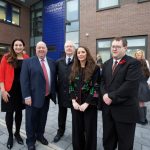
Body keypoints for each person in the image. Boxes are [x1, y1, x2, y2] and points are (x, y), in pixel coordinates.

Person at [101, 37, 141, 150]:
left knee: (125, 143)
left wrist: (110, 96)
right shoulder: (107, 64)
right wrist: (104, 94)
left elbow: (130, 85)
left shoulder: (133, 63)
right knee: (108, 140)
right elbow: (102, 82)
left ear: (125, 48)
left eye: (118, 47)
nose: (114, 49)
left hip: (125, 111)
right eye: (113, 46)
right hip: (108, 111)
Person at [20, 41, 56, 150]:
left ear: (46, 50)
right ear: (36, 50)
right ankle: (30, 141)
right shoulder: (28, 62)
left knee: (43, 118)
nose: (41, 50)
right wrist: (26, 96)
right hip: (32, 98)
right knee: (31, 120)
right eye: (39, 48)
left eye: (43, 48)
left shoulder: (51, 62)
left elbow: (53, 78)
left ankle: (40, 135)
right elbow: (24, 80)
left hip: (46, 97)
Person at [69, 46, 101, 150]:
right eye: (78, 53)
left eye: (83, 52)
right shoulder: (74, 67)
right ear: (76, 55)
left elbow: (96, 88)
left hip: (89, 105)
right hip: (76, 105)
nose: (80, 54)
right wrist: (73, 101)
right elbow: (71, 85)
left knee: (90, 130)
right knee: (77, 129)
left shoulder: (95, 68)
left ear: (87, 53)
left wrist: (87, 104)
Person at [0, 39, 29, 149]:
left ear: (23, 46)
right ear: (13, 46)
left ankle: (17, 133)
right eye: (16, 45)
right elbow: (1, 75)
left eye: (20, 45)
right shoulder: (6, 57)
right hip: (9, 91)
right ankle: (10, 136)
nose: (18, 47)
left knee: (19, 113)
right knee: (9, 113)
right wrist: (3, 91)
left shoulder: (27, 58)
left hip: (21, 91)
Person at [53, 41, 75, 142]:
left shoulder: (78, 61)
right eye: (67, 46)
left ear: (74, 48)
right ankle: (60, 131)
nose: (69, 48)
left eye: (71, 46)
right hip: (62, 93)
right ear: (64, 48)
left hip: (75, 95)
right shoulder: (58, 62)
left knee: (76, 115)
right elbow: (54, 77)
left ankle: (77, 133)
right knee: (61, 114)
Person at [134, 50, 150, 125]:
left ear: (142, 54)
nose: (138, 55)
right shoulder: (144, 62)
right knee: (141, 102)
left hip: (140, 84)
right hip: (143, 84)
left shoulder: (141, 62)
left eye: (139, 54)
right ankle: (143, 118)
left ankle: (142, 119)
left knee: (140, 102)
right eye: (137, 54)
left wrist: (148, 82)